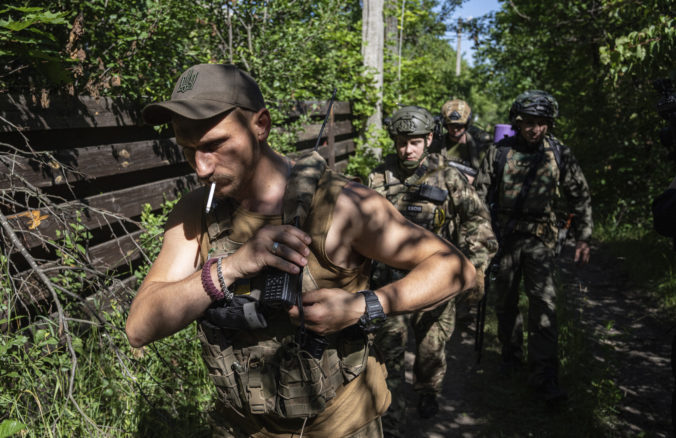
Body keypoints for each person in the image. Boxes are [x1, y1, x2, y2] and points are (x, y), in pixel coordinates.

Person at [125, 64, 476, 438]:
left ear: (260, 125)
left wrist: (362, 306)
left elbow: (456, 267)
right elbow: (139, 328)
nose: (201, 167)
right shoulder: (198, 210)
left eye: (214, 145)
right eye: (188, 149)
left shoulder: (343, 205)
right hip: (239, 427)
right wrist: (229, 268)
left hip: (340, 426)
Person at [368, 106, 497, 436]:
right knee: (388, 359)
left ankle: (427, 390)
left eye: (414, 142)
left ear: (428, 139)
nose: (406, 149)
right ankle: (391, 421)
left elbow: (478, 222)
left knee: (431, 350)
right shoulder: (377, 178)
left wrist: (473, 267)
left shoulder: (448, 176)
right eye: (401, 142)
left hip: (436, 283)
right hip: (389, 286)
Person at [474, 90, 593, 403]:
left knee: (543, 305)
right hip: (505, 238)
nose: (534, 128)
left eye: (541, 123)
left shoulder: (559, 153)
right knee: (506, 303)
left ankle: (544, 374)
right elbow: (477, 197)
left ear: (549, 124)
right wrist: (479, 236)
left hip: (541, 238)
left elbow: (578, 194)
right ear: (517, 121)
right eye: (528, 122)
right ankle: (511, 358)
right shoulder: (498, 153)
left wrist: (583, 236)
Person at [432, 99, 493, 184]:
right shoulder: (437, 146)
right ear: (446, 125)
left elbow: (487, 177)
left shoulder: (480, 148)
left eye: (459, 125)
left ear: (466, 124)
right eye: (452, 125)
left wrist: (472, 179)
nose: (455, 129)